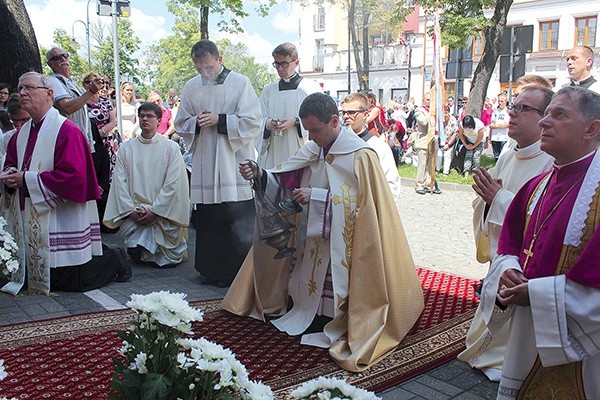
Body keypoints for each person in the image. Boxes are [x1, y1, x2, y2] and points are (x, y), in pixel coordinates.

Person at [221, 92, 424, 372]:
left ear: (334, 121)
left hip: (344, 241)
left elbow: (366, 206)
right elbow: (284, 177)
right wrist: (259, 173)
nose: (312, 137)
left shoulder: (361, 155)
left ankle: (340, 318)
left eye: (316, 130)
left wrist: (318, 198)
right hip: (312, 234)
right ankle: (310, 312)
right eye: (308, 130)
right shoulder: (313, 149)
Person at [480, 87, 600, 398]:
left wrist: (537, 292)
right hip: (528, 331)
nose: (545, 122)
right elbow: (509, 243)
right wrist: (508, 270)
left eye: (559, 115)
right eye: (546, 114)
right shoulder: (538, 185)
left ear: (592, 128)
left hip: (587, 352)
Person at [0, 72, 131, 296]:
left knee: (73, 281)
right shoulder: (20, 134)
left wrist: (27, 179)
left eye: (29, 87)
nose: (22, 92)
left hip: (62, 217)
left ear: (49, 94)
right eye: (20, 88)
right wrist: (11, 179)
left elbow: (74, 178)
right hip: (33, 216)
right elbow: (11, 164)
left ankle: (114, 258)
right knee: (37, 276)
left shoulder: (66, 131)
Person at [457, 85, 555, 381]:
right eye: (513, 106)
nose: (512, 112)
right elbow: (490, 201)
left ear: (543, 118)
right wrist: (487, 200)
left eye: (523, 108)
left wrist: (498, 199)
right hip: (504, 255)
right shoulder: (510, 154)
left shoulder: (551, 160)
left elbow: (547, 216)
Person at [174, 39, 261, 287]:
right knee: (210, 217)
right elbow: (181, 123)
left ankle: (238, 272)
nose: (204, 73)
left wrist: (221, 120)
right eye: (199, 68)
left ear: (219, 59)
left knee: (234, 214)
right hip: (205, 161)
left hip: (232, 160)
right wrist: (196, 124)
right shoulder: (191, 87)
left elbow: (253, 121)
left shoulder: (240, 83)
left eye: (209, 67)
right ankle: (210, 270)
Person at [104, 102, 189, 268]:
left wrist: (156, 211)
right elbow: (119, 184)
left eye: (149, 116)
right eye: (142, 115)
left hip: (164, 216)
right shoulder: (126, 148)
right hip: (136, 214)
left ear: (158, 121)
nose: (145, 119)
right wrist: (130, 211)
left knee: (166, 261)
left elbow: (173, 184)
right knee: (137, 254)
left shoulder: (171, 148)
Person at [257, 43, 322, 169]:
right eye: (276, 64)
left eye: (284, 63)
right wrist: (267, 124)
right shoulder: (269, 91)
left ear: (296, 62)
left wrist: (296, 122)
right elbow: (257, 119)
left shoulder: (310, 87)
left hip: (301, 149)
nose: (280, 68)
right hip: (275, 150)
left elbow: (321, 118)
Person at [339, 93, 400, 205]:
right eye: (343, 113)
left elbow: (391, 183)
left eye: (351, 112)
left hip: (369, 208)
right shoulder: (337, 144)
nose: (346, 116)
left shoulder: (378, 147)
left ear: (366, 114)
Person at [45, 47, 97, 151]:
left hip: (83, 141)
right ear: (50, 64)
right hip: (69, 143)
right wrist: (90, 91)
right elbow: (66, 108)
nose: (63, 59)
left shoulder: (72, 83)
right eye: (58, 57)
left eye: (65, 55)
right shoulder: (53, 81)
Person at [84, 72, 118, 181]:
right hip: (87, 142)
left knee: (107, 175)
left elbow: (113, 121)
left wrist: (100, 133)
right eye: (88, 82)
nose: (91, 84)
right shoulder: (80, 102)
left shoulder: (106, 101)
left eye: (95, 82)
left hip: (105, 141)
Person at [411, 93, 438, 194]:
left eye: (430, 100)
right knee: (422, 165)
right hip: (423, 140)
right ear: (423, 100)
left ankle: (429, 183)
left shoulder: (434, 111)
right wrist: (430, 114)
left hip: (432, 140)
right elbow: (423, 122)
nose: (429, 102)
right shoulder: (419, 111)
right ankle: (419, 184)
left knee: (431, 165)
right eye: (427, 100)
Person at [437, 104, 458, 175]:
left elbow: (455, 133)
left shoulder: (453, 120)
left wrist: (448, 144)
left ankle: (445, 172)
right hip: (440, 141)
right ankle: (437, 170)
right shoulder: (439, 120)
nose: (444, 115)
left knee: (447, 155)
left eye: (446, 112)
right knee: (439, 154)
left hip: (449, 141)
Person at [489, 93, 510, 159]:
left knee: (503, 156)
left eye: (502, 101)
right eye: (499, 101)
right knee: (496, 157)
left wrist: (496, 126)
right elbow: (491, 124)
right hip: (494, 137)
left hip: (503, 137)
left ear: (505, 102)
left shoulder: (507, 112)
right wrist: (490, 136)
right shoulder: (495, 112)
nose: (500, 103)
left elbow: (507, 124)